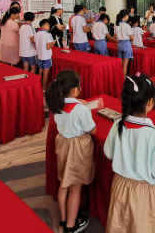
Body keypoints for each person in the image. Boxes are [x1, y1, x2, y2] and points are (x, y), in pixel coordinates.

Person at [104, 74, 155, 233]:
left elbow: (108, 152)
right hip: (143, 192)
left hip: (120, 185)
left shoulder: (118, 125)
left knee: (120, 224)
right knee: (141, 226)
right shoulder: (154, 135)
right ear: (150, 103)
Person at [46, 70, 96, 233]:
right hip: (77, 148)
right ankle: (71, 226)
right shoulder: (81, 110)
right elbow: (92, 130)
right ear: (75, 90)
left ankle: (63, 220)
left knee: (64, 184)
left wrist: (77, 102)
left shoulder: (56, 105)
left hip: (63, 144)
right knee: (75, 189)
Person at [36, 19, 55, 89]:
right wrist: (52, 44)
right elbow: (48, 47)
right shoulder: (47, 34)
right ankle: (43, 89)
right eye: (49, 25)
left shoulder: (36, 33)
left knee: (40, 72)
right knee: (45, 74)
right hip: (46, 57)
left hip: (39, 56)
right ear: (46, 24)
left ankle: (37, 87)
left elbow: (35, 46)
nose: (49, 27)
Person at [116, 10, 134, 76]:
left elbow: (115, 37)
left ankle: (119, 79)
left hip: (120, 44)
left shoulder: (117, 25)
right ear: (125, 16)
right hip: (126, 44)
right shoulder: (127, 26)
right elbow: (132, 38)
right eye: (128, 15)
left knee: (120, 64)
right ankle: (123, 80)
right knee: (125, 65)